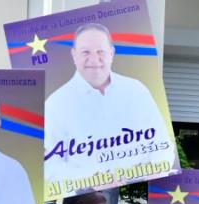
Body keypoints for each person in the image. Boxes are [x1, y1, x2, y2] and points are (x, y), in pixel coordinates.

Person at [44, 22, 174, 187]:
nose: (94, 59)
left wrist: (157, 170)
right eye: (86, 52)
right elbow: (49, 165)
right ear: (74, 55)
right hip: (82, 195)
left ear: (111, 53)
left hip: (137, 191)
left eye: (100, 51)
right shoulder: (56, 104)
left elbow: (162, 143)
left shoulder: (136, 91)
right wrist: (93, 178)